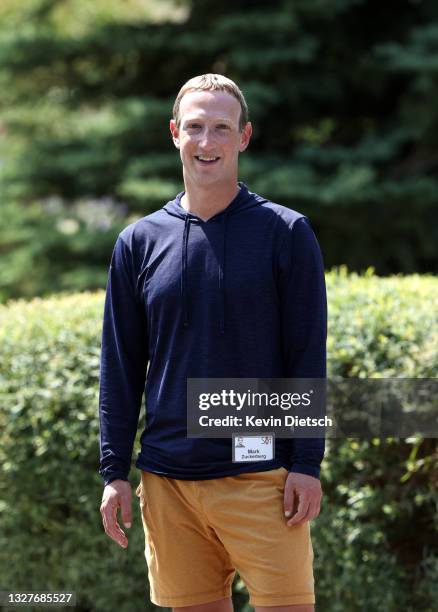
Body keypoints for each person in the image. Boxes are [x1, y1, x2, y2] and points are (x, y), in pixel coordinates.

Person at [99, 73, 327, 612]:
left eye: (221, 128)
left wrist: (306, 464)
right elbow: (121, 365)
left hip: (261, 477)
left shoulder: (285, 233)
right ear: (174, 133)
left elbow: (306, 354)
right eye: (195, 127)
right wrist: (114, 472)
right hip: (168, 484)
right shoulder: (138, 241)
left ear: (243, 137)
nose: (207, 142)